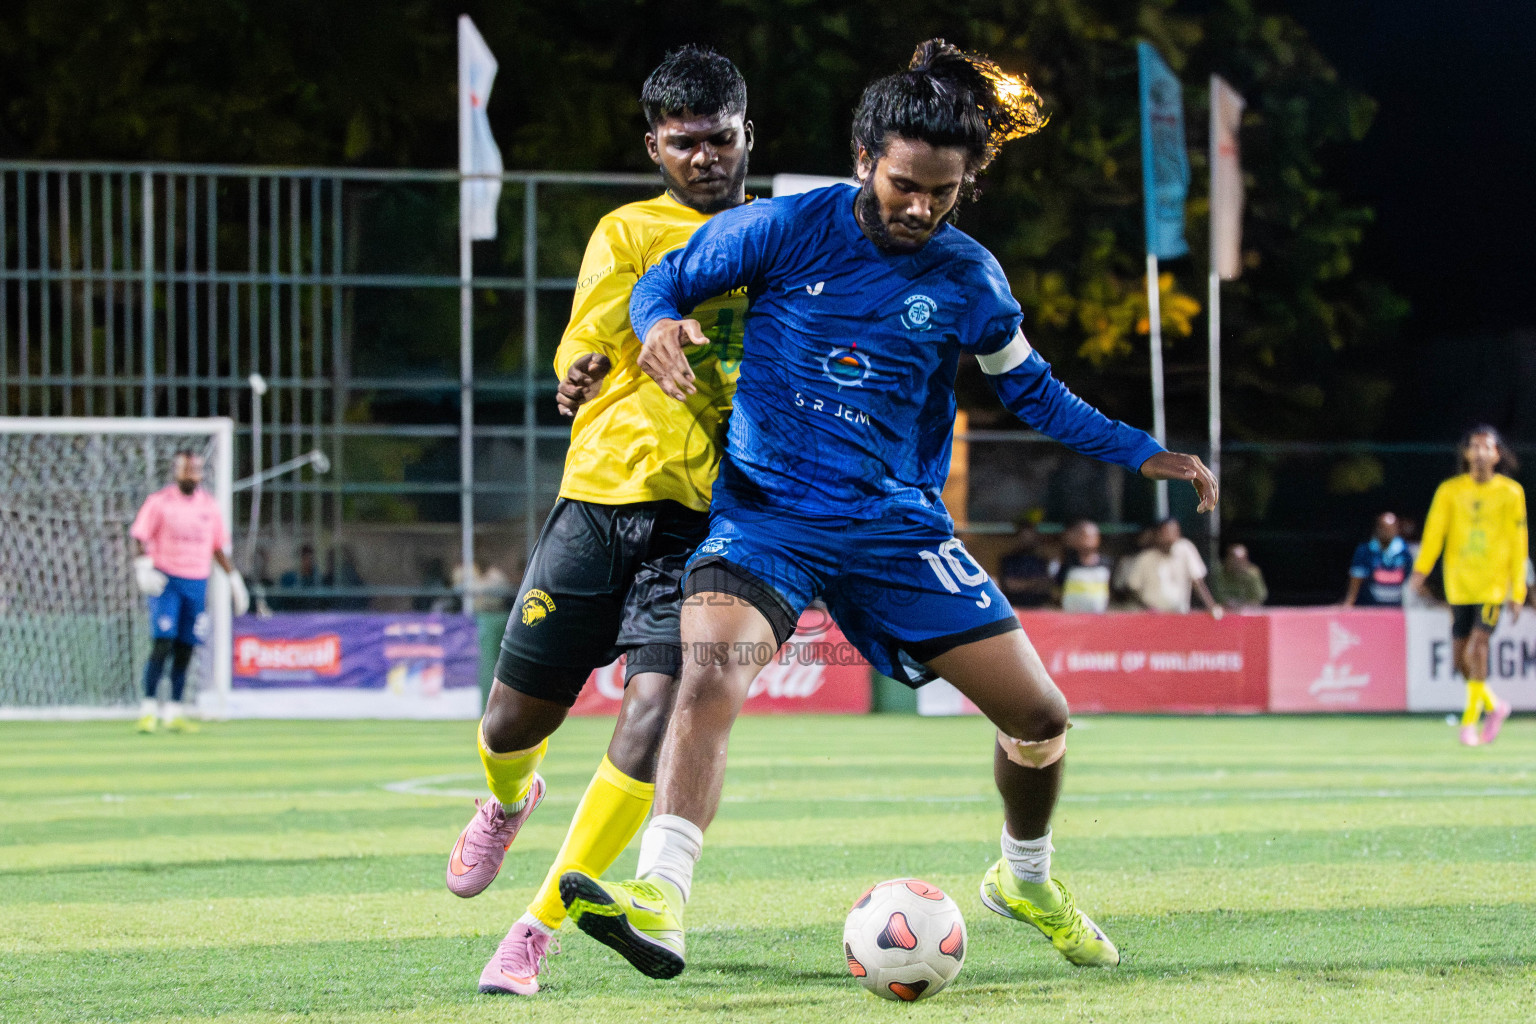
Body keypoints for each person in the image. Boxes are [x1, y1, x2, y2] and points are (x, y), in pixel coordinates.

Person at [559, 40, 1218, 981]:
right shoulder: (784, 228)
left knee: (1040, 717)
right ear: (864, 157)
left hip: (895, 529)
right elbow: (666, 277)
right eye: (904, 183)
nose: (918, 207)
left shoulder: (969, 276)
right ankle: (662, 897)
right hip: (768, 517)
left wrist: (1142, 451)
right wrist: (660, 322)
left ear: (964, 188)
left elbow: (1033, 392)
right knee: (711, 672)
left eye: (940, 193)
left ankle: (1024, 878)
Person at [452, 46, 755, 996]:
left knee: (658, 708)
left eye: (721, 139)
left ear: (749, 136)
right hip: (601, 495)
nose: (705, 157)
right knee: (510, 723)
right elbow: (585, 338)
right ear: (655, 148)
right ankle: (510, 798)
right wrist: (575, 371)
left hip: (706, 520)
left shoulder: (783, 237)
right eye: (684, 144)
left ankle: (534, 929)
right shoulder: (629, 230)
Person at [1408, 426, 1527, 746]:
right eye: (1474, 447)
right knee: (1461, 660)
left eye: (1486, 447)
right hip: (1459, 584)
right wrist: (1421, 570)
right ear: (1466, 454)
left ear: (1497, 455)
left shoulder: (1511, 492)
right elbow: (1434, 532)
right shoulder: (1450, 491)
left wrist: (1518, 589)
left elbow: (1519, 544)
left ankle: (1468, 725)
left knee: (1478, 647)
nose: (1479, 452)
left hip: (1491, 586)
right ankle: (1495, 705)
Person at [129, 451, 249, 732]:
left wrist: (233, 578)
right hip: (166, 581)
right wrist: (142, 567)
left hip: (197, 583)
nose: (190, 475)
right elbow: (139, 536)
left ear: (200, 473)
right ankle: (148, 709)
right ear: (176, 472)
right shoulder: (159, 502)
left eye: (194, 470)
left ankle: (174, 711)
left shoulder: (209, 506)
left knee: (186, 646)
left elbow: (217, 546)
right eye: (185, 470)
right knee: (163, 641)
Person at [1119, 518, 1223, 618]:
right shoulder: (1145, 558)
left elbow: (1197, 582)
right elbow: (1133, 589)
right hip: (1152, 618)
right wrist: (1148, 608)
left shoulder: (1185, 549)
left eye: (1174, 533)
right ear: (1157, 535)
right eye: (1166, 533)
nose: (1170, 538)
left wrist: (1211, 606)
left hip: (1180, 616)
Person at [1343, 512, 1411, 607]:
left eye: (1391, 529)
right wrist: (1350, 601)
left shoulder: (1405, 551)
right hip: (1370, 607)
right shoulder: (1365, 550)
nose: (1388, 533)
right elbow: (1356, 577)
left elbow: (1410, 577)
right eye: (1385, 529)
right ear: (1378, 529)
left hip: (1395, 606)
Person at [1055, 519, 1112, 613]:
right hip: (1072, 618)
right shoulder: (1068, 563)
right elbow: (1057, 588)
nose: (1089, 540)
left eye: (1093, 536)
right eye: (1084, 536)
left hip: (1098, 618)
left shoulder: (1106, 563)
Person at [998, 521, 1057, 607]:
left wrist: (1026, 584)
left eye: (1030, 536)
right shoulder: (1009, 559)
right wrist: (1033, 583)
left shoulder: (1042, 559)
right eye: (1024, 536)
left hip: (1040, 606)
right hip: (1014, 605)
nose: (1027, 539)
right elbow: (1010, 585)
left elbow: (1046, 585)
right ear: (1018, 537)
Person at [1210, 543, 1267, 609]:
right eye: (1232, 558)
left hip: (1247, 610)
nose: (1235, 563)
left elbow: (1259, 597)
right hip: (1223, 609)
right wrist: (1227, 604)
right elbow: (1216, 594)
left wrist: (1242, 606)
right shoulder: (1218, 571)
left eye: (1239, 560)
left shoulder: (1253, 574)